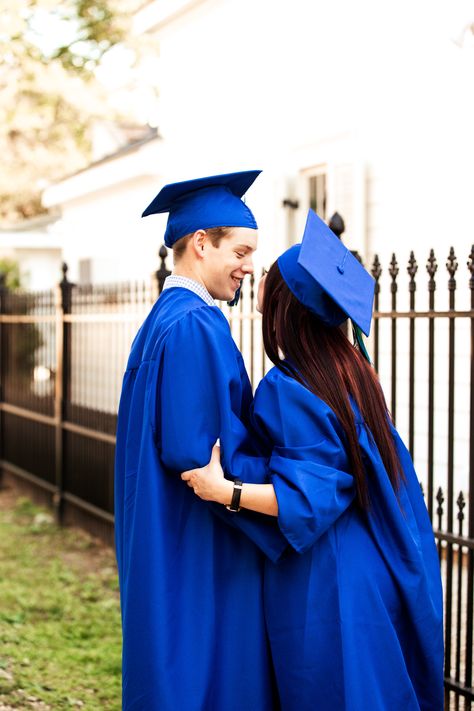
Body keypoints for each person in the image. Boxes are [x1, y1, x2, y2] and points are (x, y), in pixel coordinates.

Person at [182, 209, 444, 711]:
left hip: (329, 585)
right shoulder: (351, 371)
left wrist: (223, 490)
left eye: (268, 278)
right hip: (372, 569)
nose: (254, 278)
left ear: (287, 304)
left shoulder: (290, 385)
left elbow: (308, 497)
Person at [114, 170, 288, 711]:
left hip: (169, 525)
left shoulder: (168, 319)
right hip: (196, 536)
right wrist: (295, 478)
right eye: (240, 250)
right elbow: (198, 453)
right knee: (200, 673)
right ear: (199, 244)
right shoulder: (192, 325)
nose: (249, 266)